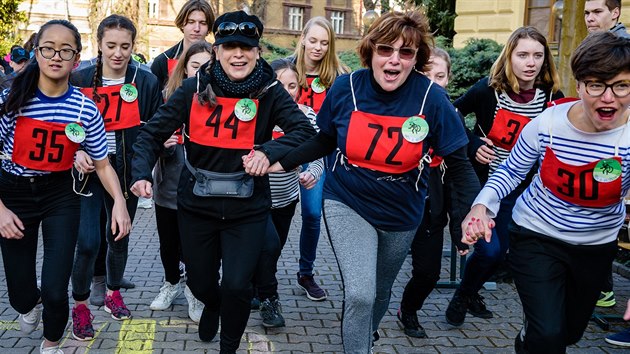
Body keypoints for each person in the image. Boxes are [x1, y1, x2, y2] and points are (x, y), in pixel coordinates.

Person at [266, 10, 479, 353]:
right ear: (370, 51)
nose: (394, 59)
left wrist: (472, 211)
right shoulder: (346, 87)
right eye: (385, 49)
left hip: (401, 212)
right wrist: (282, 159)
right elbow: (323, 140)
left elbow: (460, 164)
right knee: (361, 292)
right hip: (347, 199)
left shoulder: (431, 99)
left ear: (415, 59)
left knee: (379, 293)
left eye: (405, 53)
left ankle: (365, 333)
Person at [130, 10, 315, 353]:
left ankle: (228, 346)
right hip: (197, 205)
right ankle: (210, 304)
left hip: (248, 207)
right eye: (230, 46)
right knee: (201, 283)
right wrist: (141, 173)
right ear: (217, 51)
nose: (238, 54)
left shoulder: (269, 92)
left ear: (258, 51)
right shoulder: (193, 88)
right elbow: (150, 133)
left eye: (246, 47)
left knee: (237, 284)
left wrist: (269, 152)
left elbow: (305, 132)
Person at [462, 31, 630, 354]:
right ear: (579, 84)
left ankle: (531, 339)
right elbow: (510, 171)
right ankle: (534, 338)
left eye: (621, 86)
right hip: (536, 236)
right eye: (596, 84)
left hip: (595, 248)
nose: (609, 98)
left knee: (568, 333)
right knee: (548, 335)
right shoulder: (547, 124)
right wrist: (482, 206)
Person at [0, 19, 130, 354]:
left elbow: (102, 163)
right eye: (48, 49)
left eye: (65, 50)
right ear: (37, 52)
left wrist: (118, 201)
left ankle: (52, 342)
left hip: (60, 194)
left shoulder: (85, 107)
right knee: (20, 293)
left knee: (57, 287)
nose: (56, 57)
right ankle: (30, 304)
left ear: (76, 58)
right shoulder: (10, 100)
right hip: (13, 194)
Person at [445, 26, 564, 327]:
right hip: (484, 183)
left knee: (500, 255)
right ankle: (463, 295)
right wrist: (473, 144)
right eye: (523, 55)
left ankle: (468, 292)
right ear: (509, 57)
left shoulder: (551, 96)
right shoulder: (489, 90)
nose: (531, 62)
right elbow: (451, 112)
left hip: (521, 188)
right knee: (489, 249)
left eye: (538, 55)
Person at [69, 14, 161, 340]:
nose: (118, 53)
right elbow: (65, 127)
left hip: (127, 172)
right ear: (99, 45)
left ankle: (112, 292)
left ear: (133, 46)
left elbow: (152, 132)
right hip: (88, 173)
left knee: (119, 235)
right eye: (111, 46)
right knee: (87, 243)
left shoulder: (145, 81)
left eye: (125, 46)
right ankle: (80, 306)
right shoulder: (78, 79)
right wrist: (75, 151)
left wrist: (143, 171)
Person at [397, 47, 469, 338]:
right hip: (396, 206)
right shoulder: (398, 108)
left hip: (431, 208)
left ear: (448, 80)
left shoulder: (451, 118)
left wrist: (459, 227)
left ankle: (408, 309)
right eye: (427, 75)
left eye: (440, 76)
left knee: (428, 273)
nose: (433, 82)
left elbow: (458, 177)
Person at [252, 58, 324, 328]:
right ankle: (267, 298)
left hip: (287, 198)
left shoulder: (306, 116)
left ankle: (258, 289)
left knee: (274, 248)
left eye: (292, 85)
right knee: (267, 246)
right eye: (280, 84)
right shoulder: (255, 113)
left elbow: (318, 152)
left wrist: (312, 173)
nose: (286, 89)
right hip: (256, 197)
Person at [148, 41, 212, 322]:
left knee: (195, 246)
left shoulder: (220, 100)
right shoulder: (168, 98)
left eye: (207, 67)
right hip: (169, 184)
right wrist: (162, 144)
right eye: (196, 66)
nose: (201, 72)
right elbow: (149, 139)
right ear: (185, 69)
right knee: (168, 243)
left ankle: (195, 292)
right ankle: (171, 284)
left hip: (201, 189)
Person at [290, 16, 347, 301]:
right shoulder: (287, 69)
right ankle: (261, 277)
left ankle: (306, 273)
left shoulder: (339, 76)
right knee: (272, 214)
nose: (318, 47)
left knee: (312, 213)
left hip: (320, 155)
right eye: (313, 40)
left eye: (324, 43)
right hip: (286, 151)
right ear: (302, 38)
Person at [150, 0, 214, 90]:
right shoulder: (162, 61)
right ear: (182, 24)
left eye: (203, 23)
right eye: (191, 22)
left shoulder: (218, 59)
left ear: (209, 27)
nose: (197, 28)